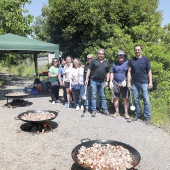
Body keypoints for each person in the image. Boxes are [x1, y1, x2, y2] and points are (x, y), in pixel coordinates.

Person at [127, 44, 153, 125]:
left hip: (144, 83)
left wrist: (150, 82)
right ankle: (137, 114)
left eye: (138, 50)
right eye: (136, 50)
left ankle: (147, 117)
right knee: (136, 100)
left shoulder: (145, 59)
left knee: (146, 100)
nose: (137, 51)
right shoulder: (131, 60)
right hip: (134, 83)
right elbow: (129, 72)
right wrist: (128, 82)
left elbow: (149, 71)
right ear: (134, 51)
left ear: (141, 50)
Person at [85, 49, 110, 117]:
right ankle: (94, 110)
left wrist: (107, 81)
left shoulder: (106, 62)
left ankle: (105, 110)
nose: (101, 55)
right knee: (94, 95)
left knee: (102, 96)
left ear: (104, 54)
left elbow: (108, 73)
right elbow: (89, 70)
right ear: (97, 54)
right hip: (93, 80)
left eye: (102, 54)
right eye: (99, 53)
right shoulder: (93, 61)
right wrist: (86, 79)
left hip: (102, 81)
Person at [110, 50, 130, 121]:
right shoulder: (114, 63)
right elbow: (112, 72)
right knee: (116, 98)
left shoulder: (127, 63)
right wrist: (110, 81)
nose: (120, 57)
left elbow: (129, 73)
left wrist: (127, 80)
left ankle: (126, 113)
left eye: (122, 55)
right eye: (119, 56)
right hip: (116, 83)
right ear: (117, 57)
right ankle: (117, 112)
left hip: (125, 84)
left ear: (124, 56)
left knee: (125, 98)